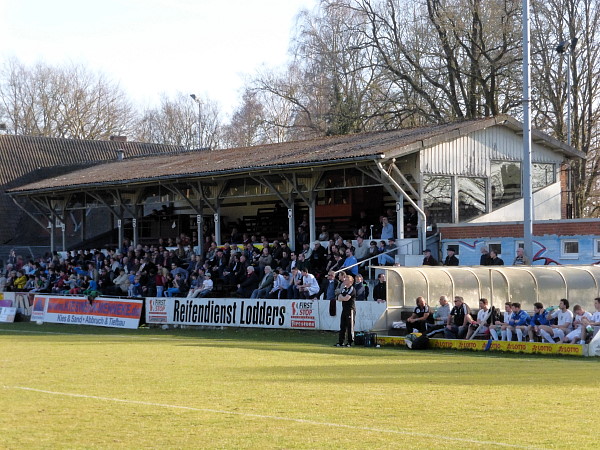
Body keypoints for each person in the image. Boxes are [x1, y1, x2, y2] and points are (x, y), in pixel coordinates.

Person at [335, 274, 356, 347]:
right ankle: (341, 342)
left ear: (350, 281)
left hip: (350, 310)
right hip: (344, 309)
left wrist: (342, 297)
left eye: (346, 279)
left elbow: (346, 298)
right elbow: (339, 298)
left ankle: (350, 342)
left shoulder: (352, 289)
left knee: (350, 326)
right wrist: (342, 297)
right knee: (342, 326)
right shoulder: (344, 289)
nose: (344, 280)